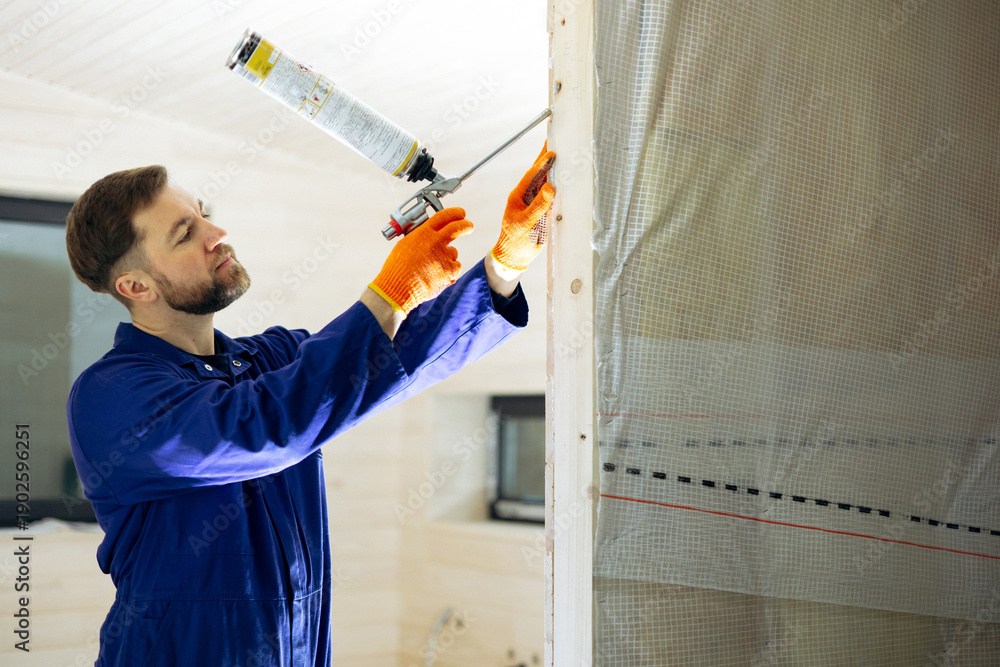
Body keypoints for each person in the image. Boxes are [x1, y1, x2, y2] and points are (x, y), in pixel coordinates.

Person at [64, 147, 555, 666]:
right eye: (185, 234)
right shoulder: (112, 395)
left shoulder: (269, 358)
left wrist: (505, 262)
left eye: (204, 213)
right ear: (136, 286)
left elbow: (389, 363)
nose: (217, 234)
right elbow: (267, 426)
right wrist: (387, 295)